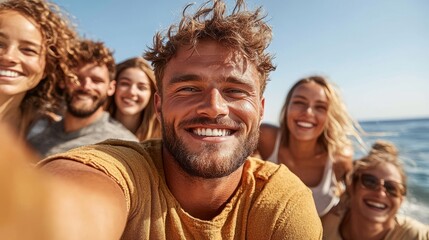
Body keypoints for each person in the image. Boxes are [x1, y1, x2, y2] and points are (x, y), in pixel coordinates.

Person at [35, 0, 322, 239]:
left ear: (260, 110)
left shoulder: (281, 203)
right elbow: (72, 197)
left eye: (234, 90)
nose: (213, 108)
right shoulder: (125, 169)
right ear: (158, 106)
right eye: (188, 89)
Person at [257, 75, 364, 217]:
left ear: (330, 115)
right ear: (287, 107)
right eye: (299, 102)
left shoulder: (339, 157)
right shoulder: (266, 138)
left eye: (320, 107)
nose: (308, 112)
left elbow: (352, 198)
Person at [28, 39, 138, 158]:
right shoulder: (35, 136)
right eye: (77, 78)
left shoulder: (124, 148)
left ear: (111, 88)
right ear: (62, 81)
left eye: (96, 80)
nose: (86, 87)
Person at [0, 0, 78, 139]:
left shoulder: (47, 131)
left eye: (28, 50)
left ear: (47, 68)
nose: (9, 56)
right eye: (0, 44)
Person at [322, 140, 429, 239]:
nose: (380, 193)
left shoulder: (416, 235)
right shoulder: (323, 229)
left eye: (392, 188)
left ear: (401, 199)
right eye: (370, 182)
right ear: (351, 187)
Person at [107, 57, 161, 141]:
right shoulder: (91, 128)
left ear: (152, 94)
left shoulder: (162, 141)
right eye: (125, 84)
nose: (132, 92)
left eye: (141, 87)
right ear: (113, 86)